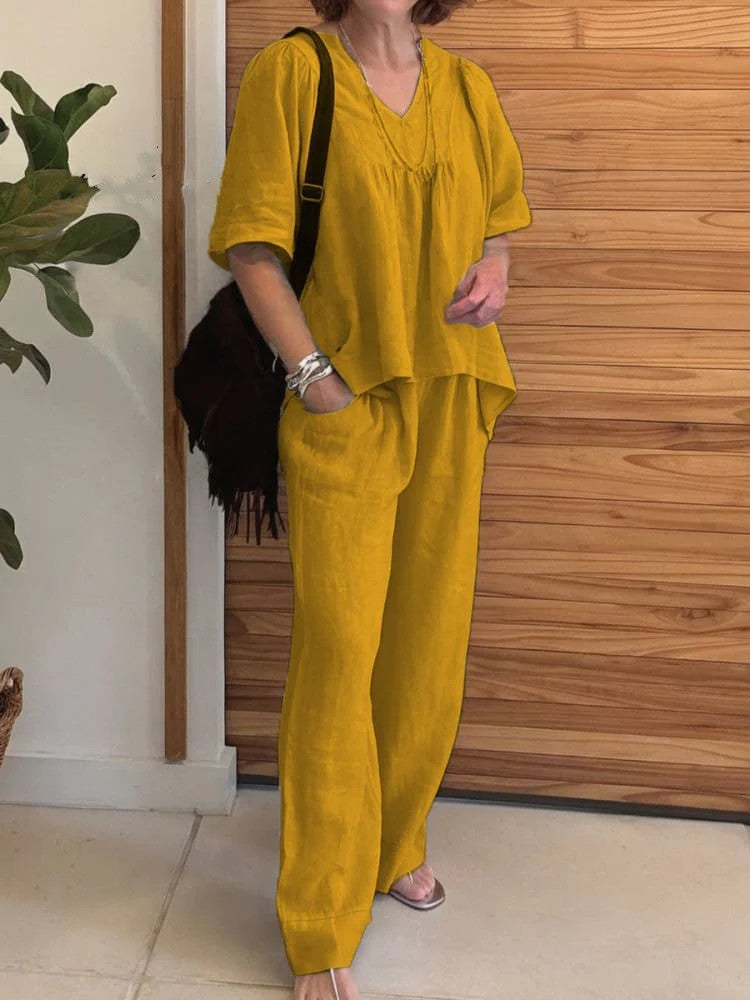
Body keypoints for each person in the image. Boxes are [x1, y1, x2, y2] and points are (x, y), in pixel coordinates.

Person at [208, 1, 532, 996]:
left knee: (428, 643)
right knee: (340, 654)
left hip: (453, 393)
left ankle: (397, 843)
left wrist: (494, 272)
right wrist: (315, 377)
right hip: (347, 400)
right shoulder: (296, 75)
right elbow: (252, 247)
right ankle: (320, 918)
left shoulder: (468, 89)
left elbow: (498, 229)